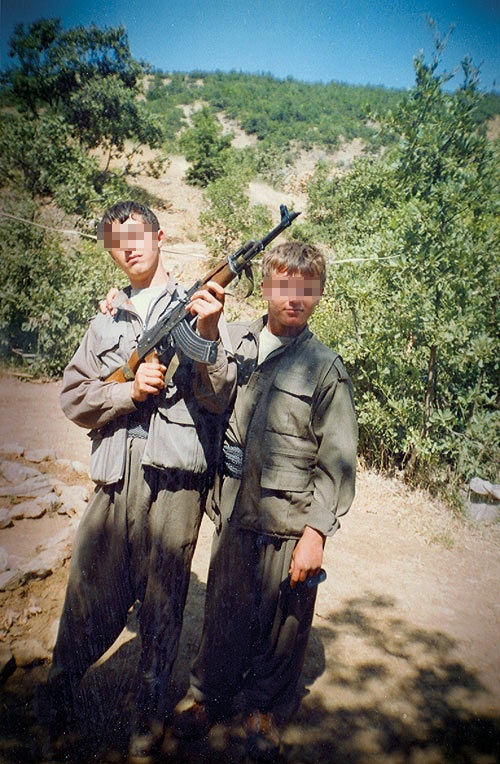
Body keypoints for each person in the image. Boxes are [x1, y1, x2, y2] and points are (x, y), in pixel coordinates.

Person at [38, 201, 235, 759]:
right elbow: (74, 398)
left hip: (174, 483)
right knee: (88, 594)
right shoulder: (106, 320)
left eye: (135, 236)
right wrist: (127, 390)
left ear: (158, 236)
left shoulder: (200, 304)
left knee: (163, 603)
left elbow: (220, 396)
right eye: (114, 241)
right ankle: (56, 694)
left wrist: (210, 329)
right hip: (115, 479)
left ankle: (146, 716)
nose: (127, 248)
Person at [172, 241, 358, 761]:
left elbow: (338, 460)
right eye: (284, 286)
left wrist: (317, 534)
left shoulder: (325, 368)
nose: (294, 298)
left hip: (291, 521)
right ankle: (207, 696)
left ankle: (265, 709)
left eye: (307, 289)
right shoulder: (236, 342)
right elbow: (210, 399)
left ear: (319, 294)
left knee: (286, 625)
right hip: (234, 512)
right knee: (224, 611)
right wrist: (208, 334)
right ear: (268, 287)